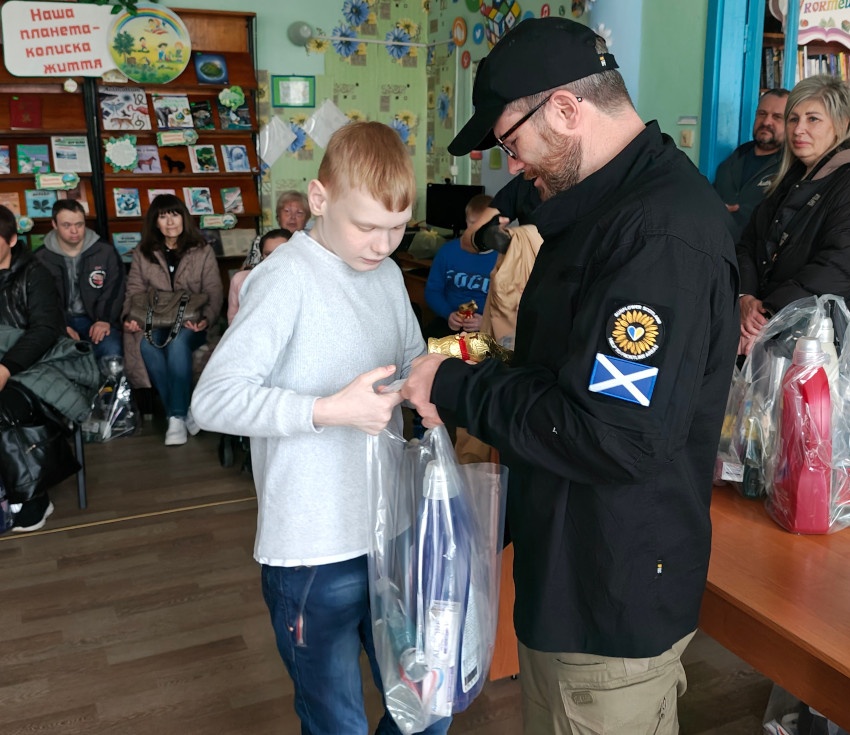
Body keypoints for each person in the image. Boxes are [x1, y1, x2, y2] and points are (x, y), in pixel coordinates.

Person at [403, 18, 739, 734]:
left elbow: (609, 430)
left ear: (563, 108)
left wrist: (456, 387)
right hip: (568, 569)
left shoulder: (658, 236)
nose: (512, 164)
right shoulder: (601, 203)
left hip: (608, 597)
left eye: (509, 141)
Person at [190, 122, 448, 735]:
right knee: (338, 724)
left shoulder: (384, 273)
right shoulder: (285, 279)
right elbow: (212, 401)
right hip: (311, 552)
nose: (383, 244)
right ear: (319, 198)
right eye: (367, 226)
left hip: (387, 534)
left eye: (398, 227)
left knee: (427, 708)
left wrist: (431, 384)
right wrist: (328, 410)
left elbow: (407, 360)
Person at [736, 75, 850, 355]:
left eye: (813, 119)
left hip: (829, 345)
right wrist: (745, 298)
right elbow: (749, 243)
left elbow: (841, 265)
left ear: (840, 125)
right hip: (775, 334)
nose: (798, 129)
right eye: (793, 119)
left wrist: (767, 312)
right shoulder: (789, 178)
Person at [0, 205, 94, 532]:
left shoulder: (34, 273)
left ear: (11, 240)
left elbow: (43, 331)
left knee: (3, 409)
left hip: (37, 364)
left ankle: (32, 498)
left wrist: (6, 368)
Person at [122, 194, 223, 446]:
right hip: (155, 320)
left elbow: (214, 290)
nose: (170, 222)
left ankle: (175, 418)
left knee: (178, 343)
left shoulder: (202, 250)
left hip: (191, 321)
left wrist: (207, 319)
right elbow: (133, 289)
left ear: (184, 217)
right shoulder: (144, 252)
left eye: (174, 214)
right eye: (163, 216)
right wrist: (129, 316)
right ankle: (181, 412)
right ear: (155, 222)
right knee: (146, 345)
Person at [34, 199, 125, 365]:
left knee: (112, 352)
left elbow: (115, 288)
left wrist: (104, 319)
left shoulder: (105, 251)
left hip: (95, 318)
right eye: (67, 225)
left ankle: (109, 392)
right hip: (59, 321)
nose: (74, 231)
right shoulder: (41, 257)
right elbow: (40, 299)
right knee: (55, 360)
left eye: (79, 224)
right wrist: (60, 326)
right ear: (54, 224)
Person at [713, 88, 788, 237]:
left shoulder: (792, 167)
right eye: (762, 114)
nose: (766, 122)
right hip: (716, 248)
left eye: (777, 117)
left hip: (756, 255)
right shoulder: (735, 157)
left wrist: (741, 212)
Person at [423, 193, 498, 337]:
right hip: (449, 322)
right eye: (472, 224)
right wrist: (448, 314)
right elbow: (432, 291)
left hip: (488, 328)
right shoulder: (447, 251)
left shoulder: (506, 258)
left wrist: (487, 322)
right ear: (466, 221)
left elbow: (514, 305)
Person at [227, 228, 291, 323]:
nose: (274, 258)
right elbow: (233, 319)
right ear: (261, 255)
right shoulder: (241, 279)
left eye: (280, 252)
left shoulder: (304, 281)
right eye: (268, 254)